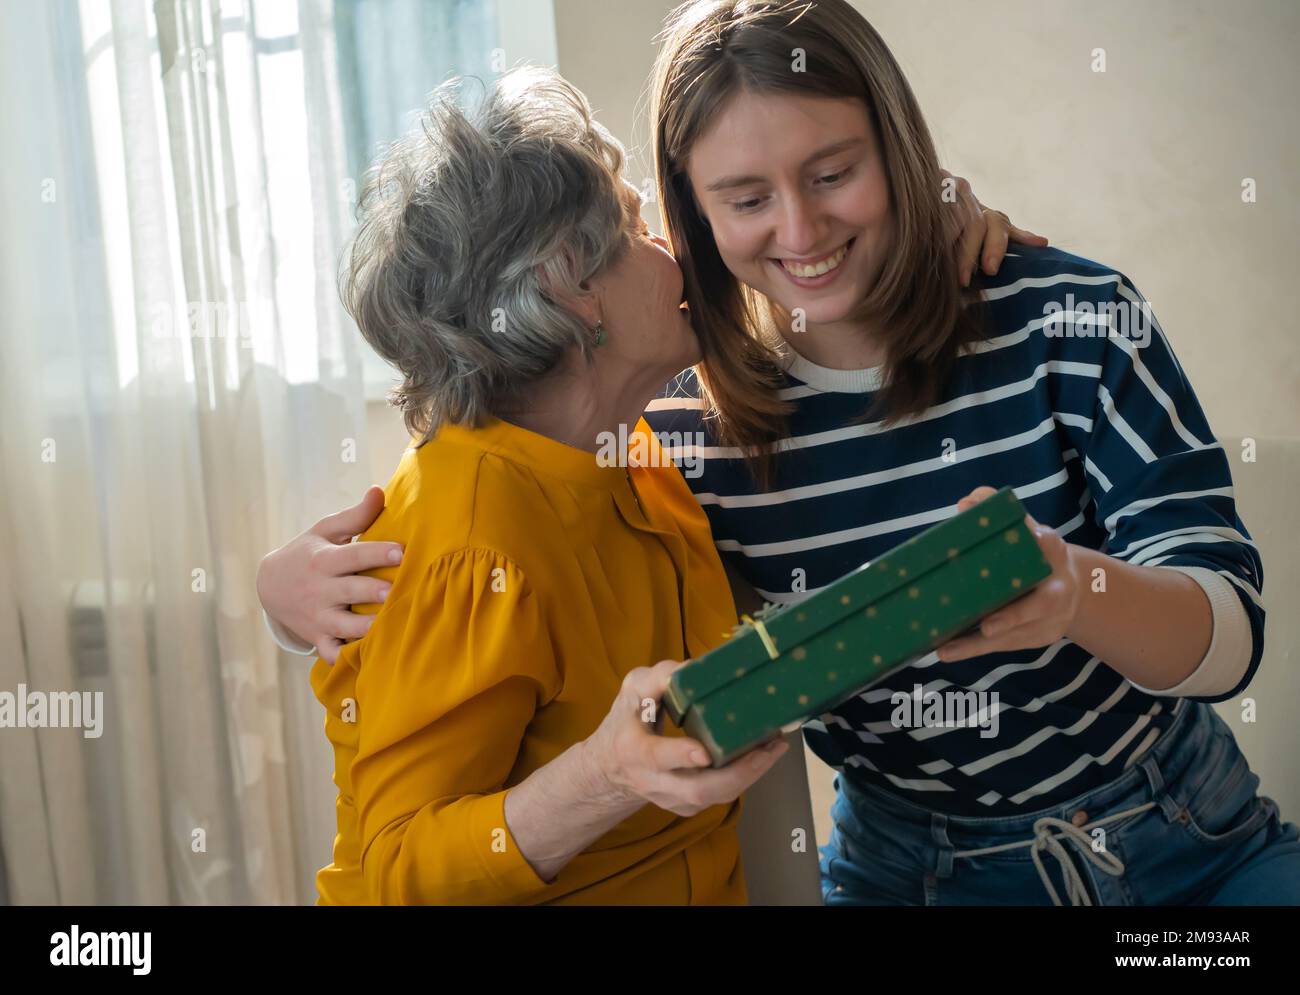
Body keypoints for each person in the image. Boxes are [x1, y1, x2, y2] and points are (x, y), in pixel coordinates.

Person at [306, 68, 793, 905]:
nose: (674, 252)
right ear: (572, 287)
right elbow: (395, 870)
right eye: (638, 227)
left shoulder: (630, 448)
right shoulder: (473, 539)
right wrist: (605, 774)